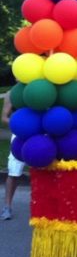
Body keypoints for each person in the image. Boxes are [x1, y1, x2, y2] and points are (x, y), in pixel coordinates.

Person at [1, 92, 24, 220]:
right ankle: (7, 207)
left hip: (40, 135)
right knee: (14, 171)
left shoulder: (43, 89)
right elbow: (4, 118)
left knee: (44, 171)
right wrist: (21, 123)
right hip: (20, 135)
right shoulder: (12, 94)